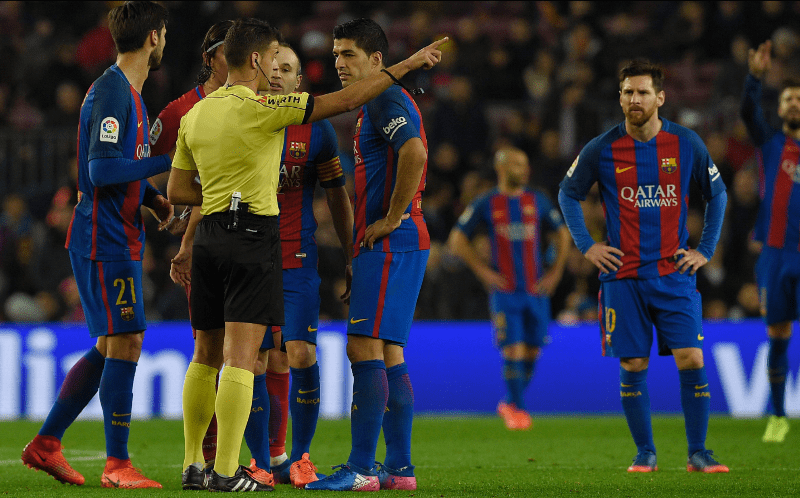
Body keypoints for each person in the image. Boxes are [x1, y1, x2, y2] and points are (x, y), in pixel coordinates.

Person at [167, 18, 446, 493]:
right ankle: (234, 470)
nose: (278, 68)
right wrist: (413, 62)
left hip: (220, 235)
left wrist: (215, 202)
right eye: (273, 58)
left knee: (209, 355)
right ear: (257, 61)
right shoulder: (268, 110)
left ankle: (201, 463)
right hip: (253, 237)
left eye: (346, 55)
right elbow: (345, 101)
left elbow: (176, 188)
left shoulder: (197, 114)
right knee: (245, 358)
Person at [20, 1, 172, 489]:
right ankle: (118, 464)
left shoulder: (126, 91)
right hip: (103, 238)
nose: (165, 41)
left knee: (114, 344)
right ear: (154, 37)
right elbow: (100, 171)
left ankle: (46, 444)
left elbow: (116, 165)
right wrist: (166, 162)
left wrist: (151, 198)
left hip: (115, 232)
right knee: (125, 341)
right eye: (164, 34)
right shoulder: (112, 93)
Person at [558, 60, 730, 474]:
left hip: (674, 274)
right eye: (628, 92)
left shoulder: (686, 143)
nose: (635, 99)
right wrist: (587, 246)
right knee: (634, 364)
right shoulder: (602, 147)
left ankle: (698, 453)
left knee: (692, 357)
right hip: (623, 276)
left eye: (643, 92)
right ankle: (645, 453)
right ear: (619, 97)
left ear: (660, 98)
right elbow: (568, 193)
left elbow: (718, 195)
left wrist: (704, 250)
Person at [306, 18, 438, 492]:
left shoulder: (384, 98)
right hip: (394, 245)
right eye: (337, 54)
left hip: (391, 241)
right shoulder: (373, 103)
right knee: (389, 352)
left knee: (363, 348)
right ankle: (400, 469)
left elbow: (415, 153)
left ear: (377, 60)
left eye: (349, 55)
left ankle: (362, 467)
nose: (339, 63)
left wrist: (394, 215)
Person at [150, 20, 240, 488]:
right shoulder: (179, 112)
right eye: (234, 51)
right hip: (203, 245)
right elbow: (145, 167)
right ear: (210, 58)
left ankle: (254, 456)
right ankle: (207, 458)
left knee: (250, 354)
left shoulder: (256, 102)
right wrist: (170, 214)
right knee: (214, 349)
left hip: (249, 239)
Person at [261, 43, 354, 489]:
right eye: (271, 67)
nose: (276, 75)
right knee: (253, 360)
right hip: (248, 260)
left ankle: (300, 457)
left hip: (297, 256)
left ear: (299, 82)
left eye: (287, 70)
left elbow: (336, 193)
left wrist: (352, 253)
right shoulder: (242, 118)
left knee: (299, 353)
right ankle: (262, 459)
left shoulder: (316, 132)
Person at [447, 147, 571, 431]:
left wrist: (555, 272)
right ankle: (519, 410)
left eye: (526, 164)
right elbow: (457, 239)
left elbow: (562, 235)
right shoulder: (487, 202)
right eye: (517, 164)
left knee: (532, 352)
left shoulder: (536, 200)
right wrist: (483, 271)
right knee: (513, 349)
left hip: (536, 291)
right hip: (505, 292)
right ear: (501, 167)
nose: (524, 169)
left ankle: (509, 402)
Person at [741, 40, 800, 443]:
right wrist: (755, 77)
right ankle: (778, 415)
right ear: (779, 108)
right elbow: (747, 111)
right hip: (775, 256)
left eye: (799, 98)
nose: (794, 103)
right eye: (788, 99)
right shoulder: (769, 143)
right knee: (777, 334)